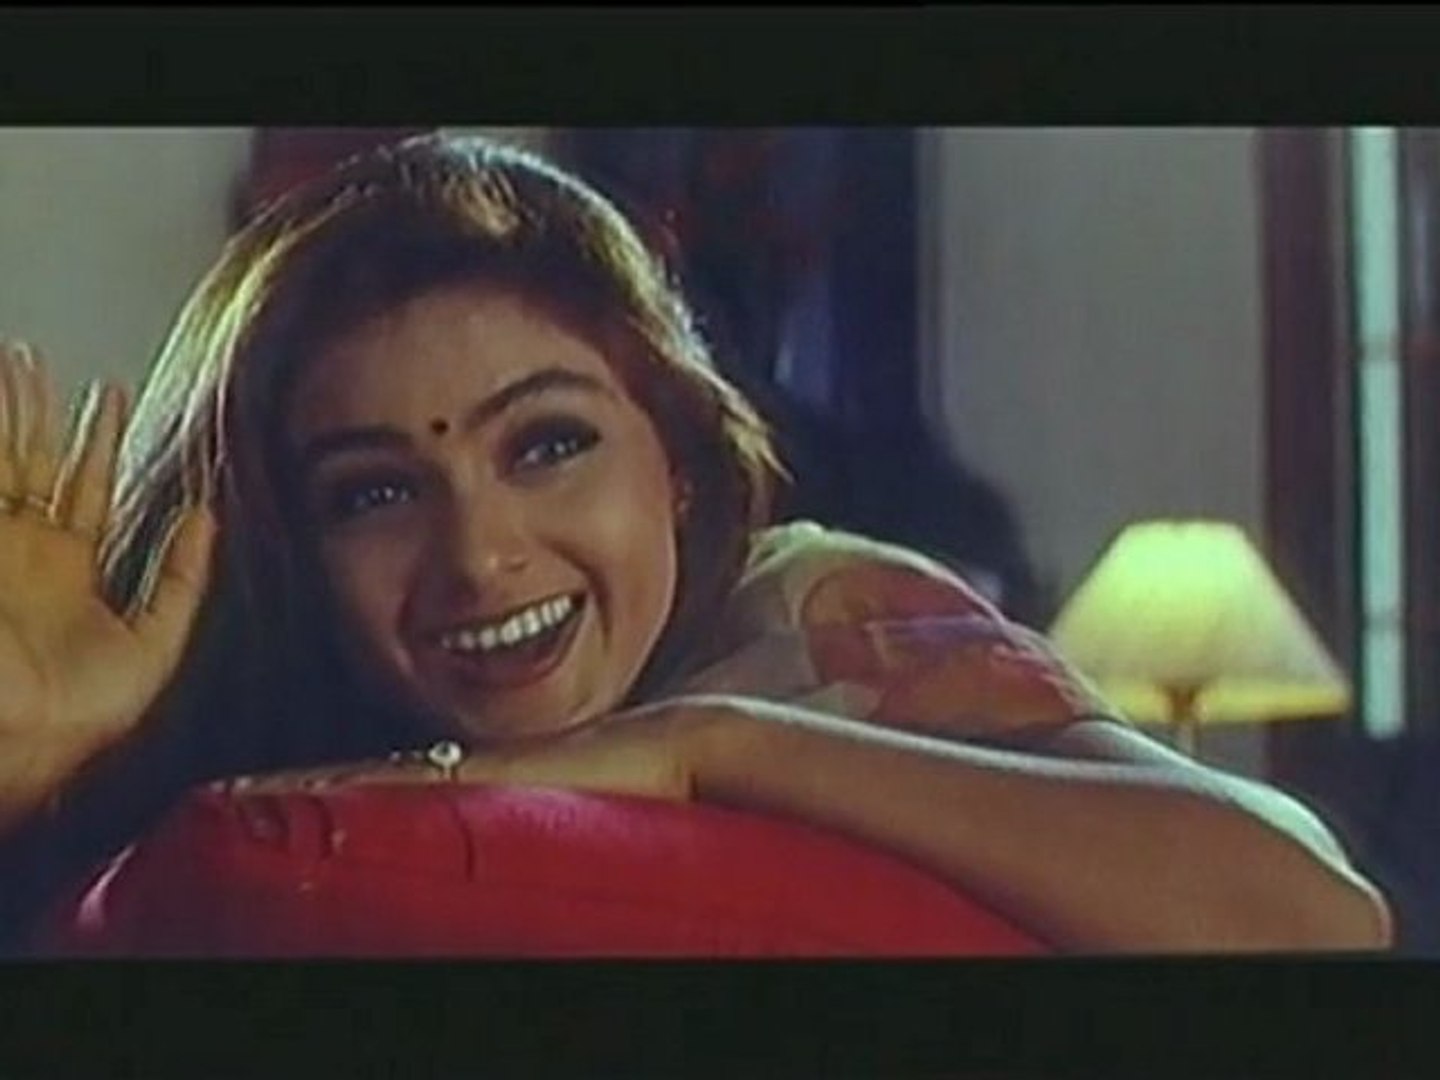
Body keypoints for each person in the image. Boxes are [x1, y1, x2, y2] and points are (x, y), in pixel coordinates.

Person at [0, 134, 1391, 954]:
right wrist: (41, 780)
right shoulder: (241, 713)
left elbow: (1312, 916)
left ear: (675, 464)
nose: (481, 557)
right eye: (374, 494)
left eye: (548, 445)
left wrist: (713, 746)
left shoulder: (809, 617)